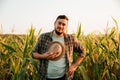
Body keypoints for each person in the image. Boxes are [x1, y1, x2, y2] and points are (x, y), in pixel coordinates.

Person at [32, 15, 86, 80]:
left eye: (64, 24)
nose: (61, 26)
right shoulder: (43, 37)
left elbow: (83, 51)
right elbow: (33, 53)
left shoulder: (71, 39)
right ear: (55, 23)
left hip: (65, 77)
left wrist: (74, 66)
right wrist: (43, 56)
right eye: (59, 23)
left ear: (66, 27)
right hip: (45, 77)